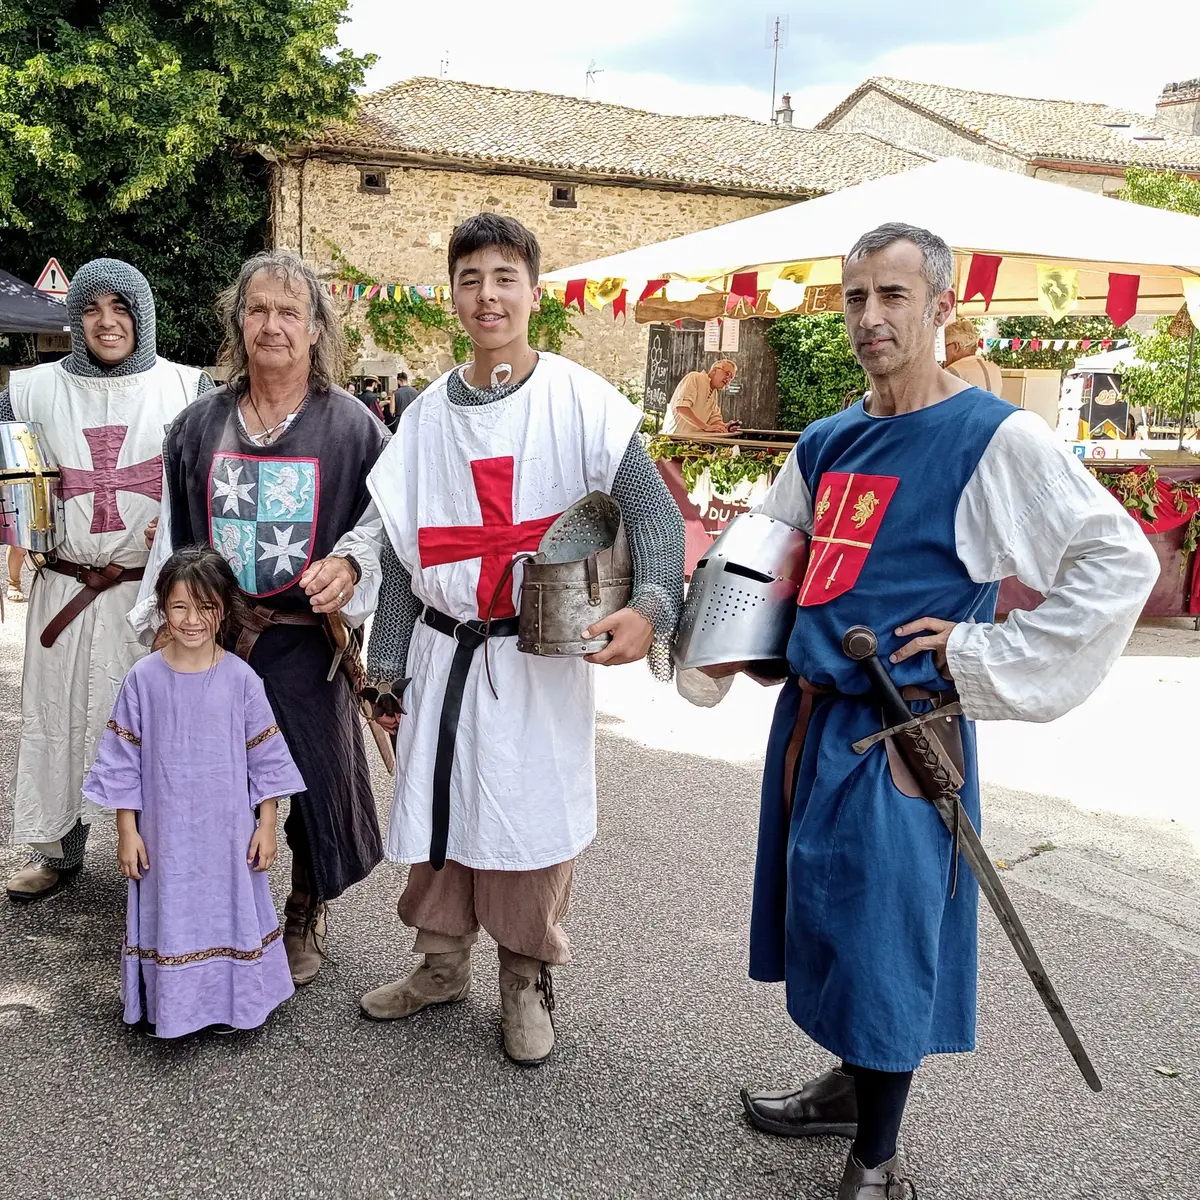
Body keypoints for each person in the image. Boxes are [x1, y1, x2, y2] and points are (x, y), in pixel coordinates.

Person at [736, 223, 1158, 1199]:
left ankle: (876, 1160)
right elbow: (776, 555)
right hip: (814, 721)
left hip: (903, 731)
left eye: (893, 297)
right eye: (855, 298)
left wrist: (979, 653)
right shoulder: (828, 438)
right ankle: (851, 1089)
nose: (872, 317)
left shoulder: (993, 438)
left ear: (941, 309)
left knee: (885, 934)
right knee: (832, 920)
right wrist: (746, 645)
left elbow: (1116, 563)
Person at [335, 213, 686, 1065]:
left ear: (534, 289)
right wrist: (385, 669)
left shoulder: (580, 401)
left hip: (535, 660)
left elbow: (650, 514)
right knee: (442, 814)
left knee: (527, 822)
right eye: (469, 279)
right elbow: (399, 544)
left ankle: (525, 980)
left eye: (503, 277)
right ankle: (440, 965)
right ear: (452, 295)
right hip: (442, 650)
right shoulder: (422, 419)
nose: (487, 294)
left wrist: (652, 606)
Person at [140, 249, 388, 986]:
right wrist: (162, 624)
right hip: (213, 636)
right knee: (210, 778)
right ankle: (218, 911)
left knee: (309, 775)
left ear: (316, 328)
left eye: (289, 312)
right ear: (237, 322)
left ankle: (305, 906)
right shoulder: (195, 427)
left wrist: (348, 564)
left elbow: (383, 526)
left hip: (302, 639)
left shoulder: (355, 429)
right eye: (258, 310)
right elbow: (173, 531)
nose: (272, 325)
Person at [2, 259, 210, 902]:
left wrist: (182, 540)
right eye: (93, 308)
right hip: (63, 589)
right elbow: (12, 480)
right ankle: (59, 851)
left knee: (152, 724)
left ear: (143, 316)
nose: (106, 321)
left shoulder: (185, 388)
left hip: (145, 596)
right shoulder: (30, 390)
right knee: (57, 719)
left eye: (122, 308)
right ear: (76, 316)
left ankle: (159, 852)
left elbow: (208, 484)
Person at [84, 545, 304, 1038]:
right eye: (179, 606)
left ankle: (233, 1003)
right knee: (172, 908)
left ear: (224, 610)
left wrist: (266, 825)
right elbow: (123, 762)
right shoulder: (143, 679)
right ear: (163, 606)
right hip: (163, 834)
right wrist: (127, 830)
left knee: (227, 908)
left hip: (227, 834)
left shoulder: (241, 679)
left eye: (206, 607)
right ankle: (171, 1006)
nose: (192, 619)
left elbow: (264, 759)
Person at [662, 360, 739, 435]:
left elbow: (713, 419)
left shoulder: (714, 393)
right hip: (674, 438)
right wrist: (705, 427)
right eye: (727, 374)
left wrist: (724, 427)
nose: (728, 380)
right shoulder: (695, 377)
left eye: (731, 378)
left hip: (694, 440)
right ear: (715, 370)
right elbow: (682, 408)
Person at [943, 318, 1001, 392]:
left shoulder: (952, 371)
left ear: (955, 347)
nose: (944, 353)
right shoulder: (994, 368)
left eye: (945, 346)